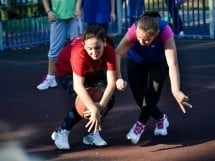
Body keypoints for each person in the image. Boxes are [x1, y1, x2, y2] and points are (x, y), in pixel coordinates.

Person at [115, 11, 192, 144]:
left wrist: (175, 90)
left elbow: (172, 64)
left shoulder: (165, 32)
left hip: (158, 62)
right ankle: (160, 118)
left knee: (152, 94)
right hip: (136, 60)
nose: (141, 41)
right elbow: (117, 53)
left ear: (155, 34)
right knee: (139, 96)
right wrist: (118, 77)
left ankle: (139, 126)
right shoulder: (134, 30)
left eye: (146, 39)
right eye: (139, 38)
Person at [51, 25, 116, 150]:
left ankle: (90, 133)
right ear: (84, 45)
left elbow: (111, 83)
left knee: (109, 99)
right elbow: (78, 86)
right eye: (89, 49)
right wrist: (93, 108)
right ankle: (62, 131)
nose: (94, 52)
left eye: (97, 48)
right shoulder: (78, 52)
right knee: (84, 101)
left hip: (91, 71)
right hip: (66, 71)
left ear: (104, 43)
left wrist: (101, 106)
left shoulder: (109, 50)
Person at [37, 0, 82, 90]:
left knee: (77, 49)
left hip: (73, 17)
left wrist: (77, 7)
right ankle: (51, 78)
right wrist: (48, 11)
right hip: (57, 18)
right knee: (54, 49)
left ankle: (79, 78)